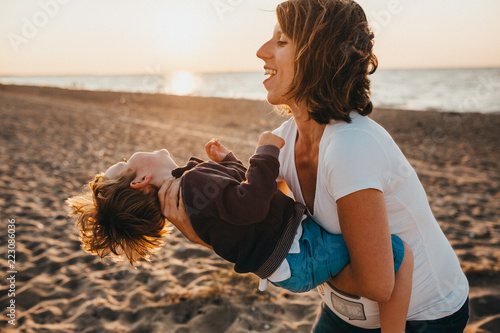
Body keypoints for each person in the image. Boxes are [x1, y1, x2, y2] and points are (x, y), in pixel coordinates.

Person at [253, 0, 468, 332]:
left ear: (318, 58)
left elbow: (377, 282)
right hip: (343, 311)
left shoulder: (350, 147)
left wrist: (307, 267)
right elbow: (266, 225)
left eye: (281, 41)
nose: (261, 52)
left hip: (424, 315)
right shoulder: (283, 141)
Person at [67, 132, 414, 332]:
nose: (135, 152)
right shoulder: (191, 184)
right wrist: (267, 152)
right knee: (396, 253)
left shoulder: (190, 189)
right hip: (300, 254)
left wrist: (228, 160)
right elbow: (250, 204)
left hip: (288, 264)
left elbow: (233, 195)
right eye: (128, 160)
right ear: (141, 180)